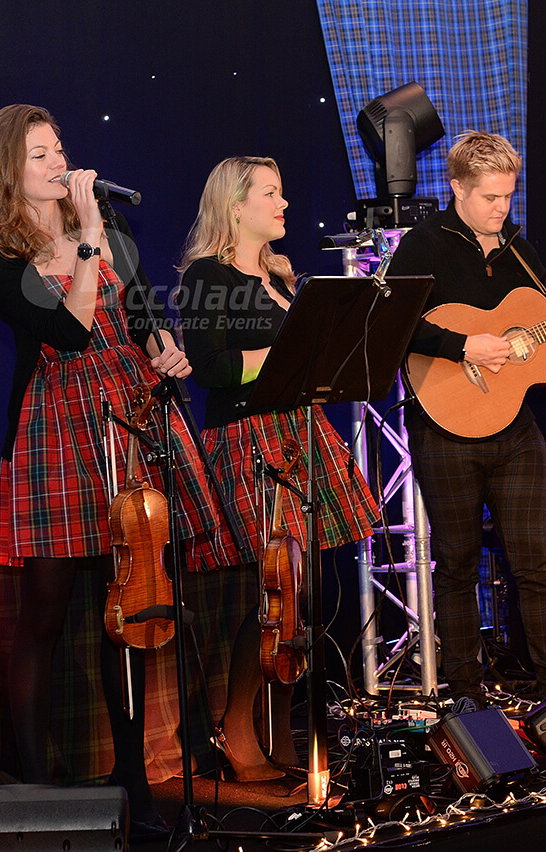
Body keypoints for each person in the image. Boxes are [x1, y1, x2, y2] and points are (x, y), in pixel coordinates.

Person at [0, 104, 233, 831]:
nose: (58, 163)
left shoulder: (110, 234)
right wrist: (84, 242)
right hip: (60, 423)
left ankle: (135, 779)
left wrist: (165, 349)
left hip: (134, 416)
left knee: (130, 597)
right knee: (46, 612)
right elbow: (67, 333)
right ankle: (40, 786)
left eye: (59, 150)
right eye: (40, 155)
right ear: (5, 170)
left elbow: (140, 320)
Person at [387, 130, 546, 708]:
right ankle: (468, 701)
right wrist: (462, 347)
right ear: (456, 188)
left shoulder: (519, 250)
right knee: (456, 564)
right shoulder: (424, 245)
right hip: (444, 426)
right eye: (489, 198)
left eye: (507, 196)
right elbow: (390, 324)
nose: (501, 210)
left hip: (514, 430)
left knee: (538, 560)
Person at [177, 156, 380, 780]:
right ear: (235, 206)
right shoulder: (207, 277)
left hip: (300, 432)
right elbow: (211, 369)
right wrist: (289, 350)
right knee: (273, 595)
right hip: (249, 440)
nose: (283, 204)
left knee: (305, 597)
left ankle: (281, 734)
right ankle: (236, 730)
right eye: (271, 193)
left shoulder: (282, 278)